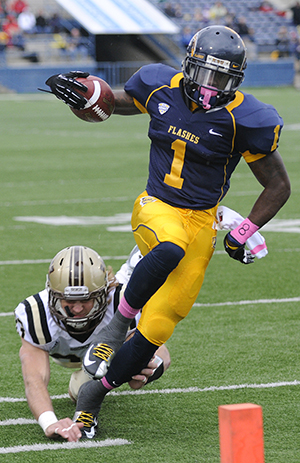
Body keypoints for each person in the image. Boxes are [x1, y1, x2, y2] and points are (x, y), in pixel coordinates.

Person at [44, 25, 291, 435]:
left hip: (202, 222)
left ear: (238, 80)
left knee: (158, 326)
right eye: (205, 74)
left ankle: (94, 397)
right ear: (187, 65)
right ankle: (114, 327)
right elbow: (116, 103)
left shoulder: (247, 119)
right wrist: (88, 95)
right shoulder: (159, 85)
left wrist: (243, 230)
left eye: (222, 79)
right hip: (156, 206)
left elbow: (278, 185)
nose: (211, 87)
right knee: (170, 246)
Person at [15, 245, 170, 442]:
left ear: (102, 293)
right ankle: (130, 270)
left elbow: (163, 354)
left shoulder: (118, 300)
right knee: (81, 388)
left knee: (132, 365)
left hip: (110, 347)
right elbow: (34, 378)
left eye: (86, 299)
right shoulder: (36, 314)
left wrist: (148, 365)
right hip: (66, 357)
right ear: (53, 295)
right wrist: (49, 422)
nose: (78, 308)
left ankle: (131, 271)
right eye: (69, 300)